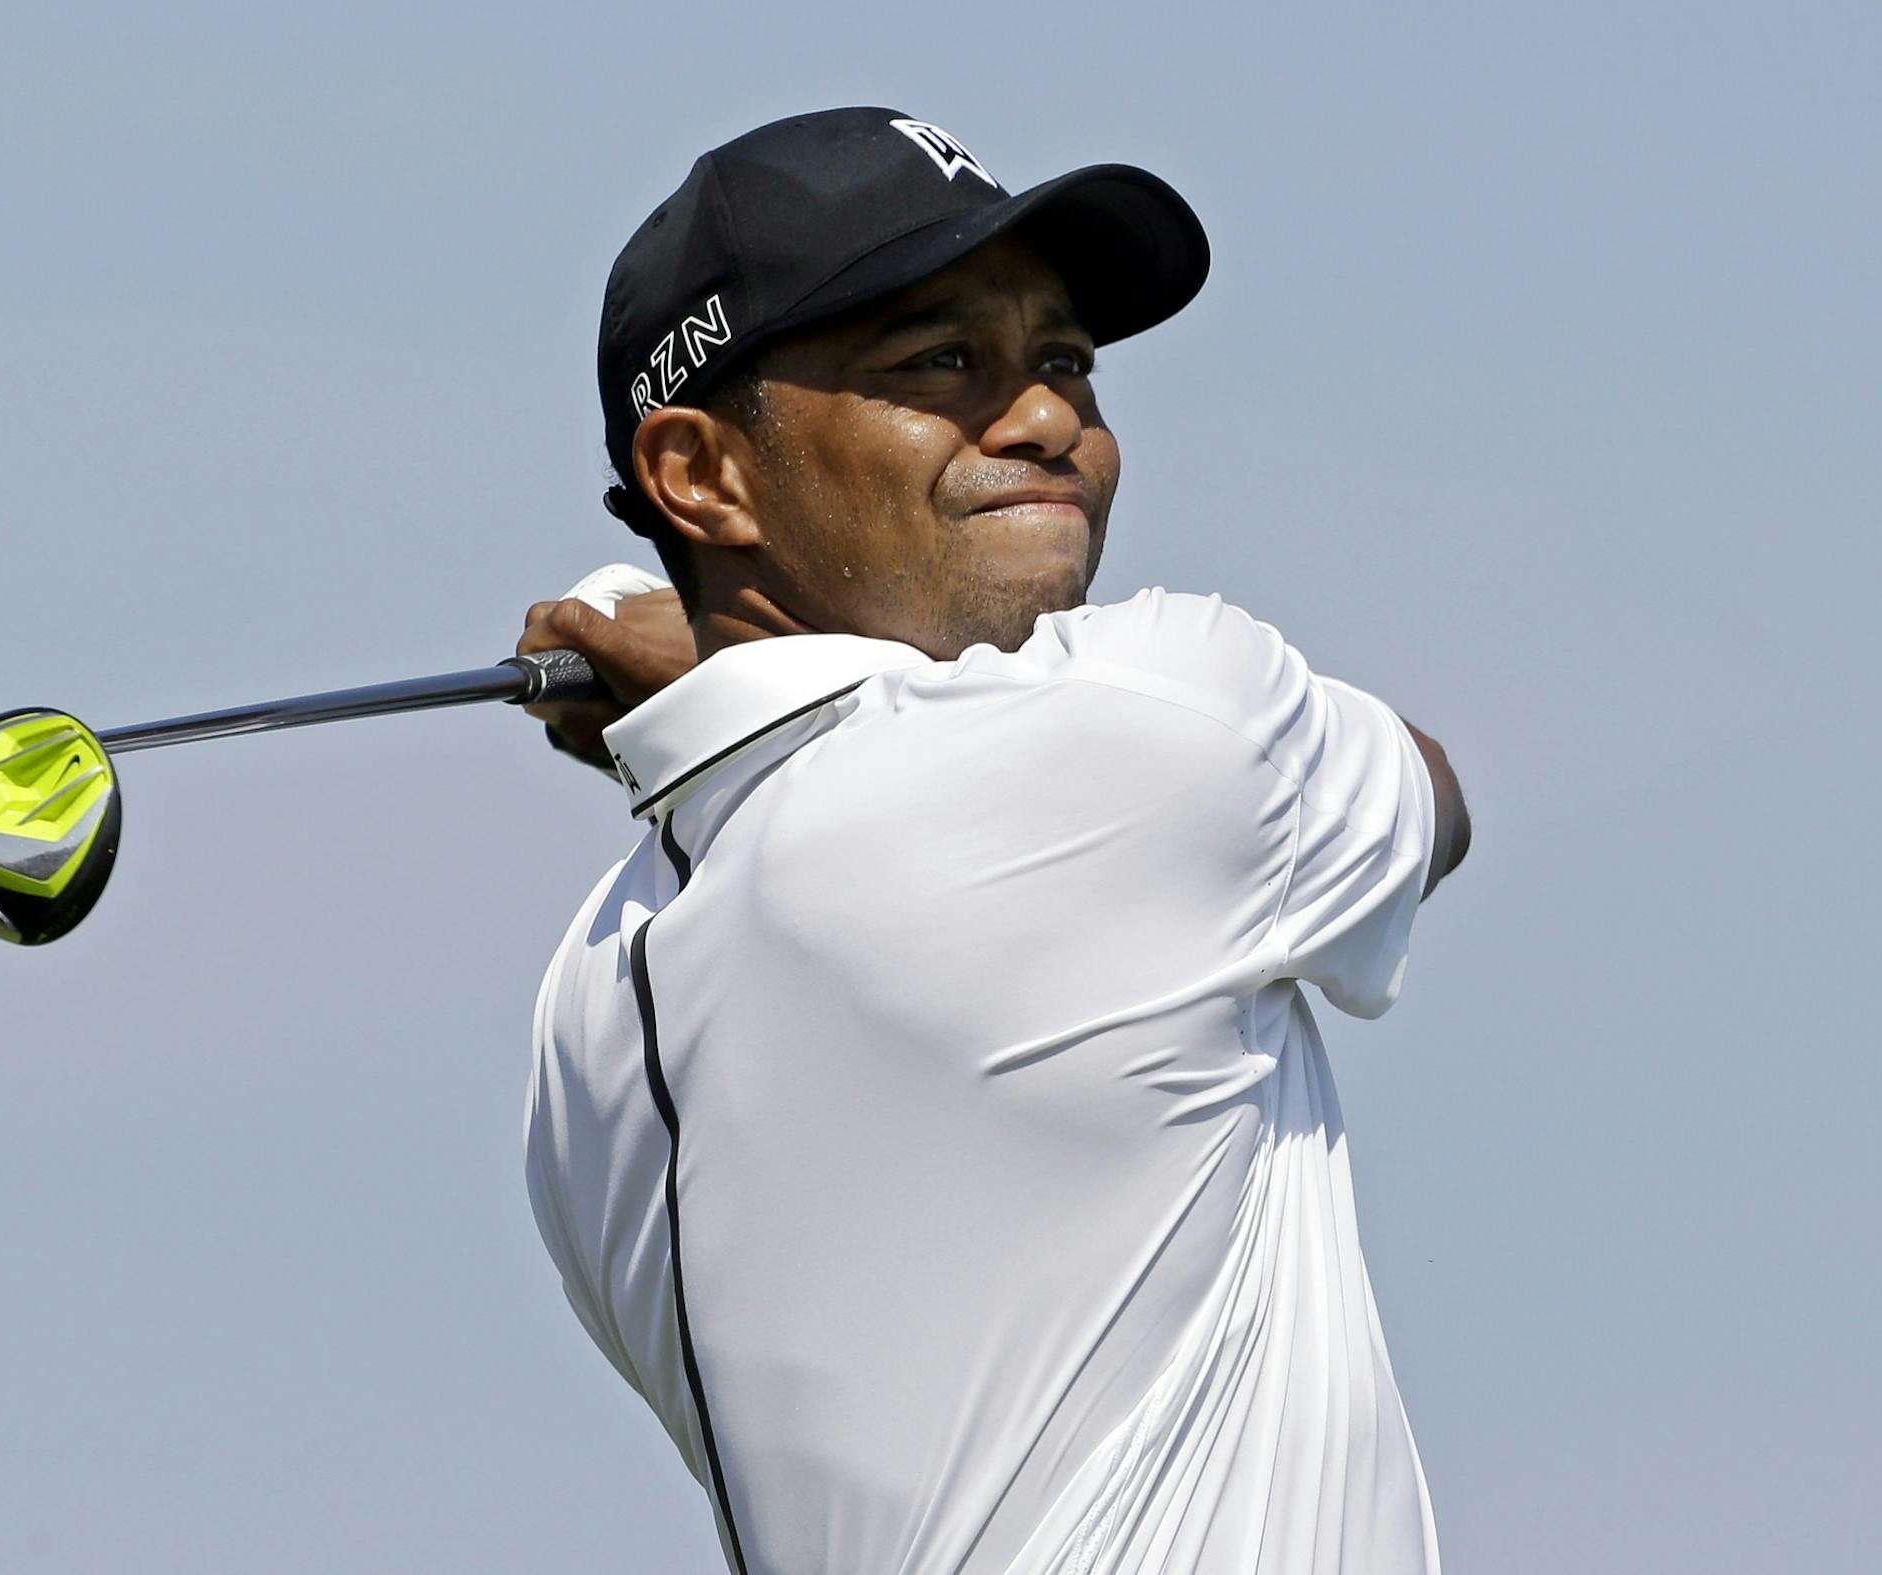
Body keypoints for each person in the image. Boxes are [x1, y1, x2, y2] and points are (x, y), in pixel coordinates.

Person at [515, 107, 1469, 1575]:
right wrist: (713, 680)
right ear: (702, 475)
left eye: (1065, 362)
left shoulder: (587, 1009)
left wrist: (715, 677)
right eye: (940, 363)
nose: (1045, 423)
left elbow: (819, 792)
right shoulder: (1159, 732)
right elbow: (1431, 794)